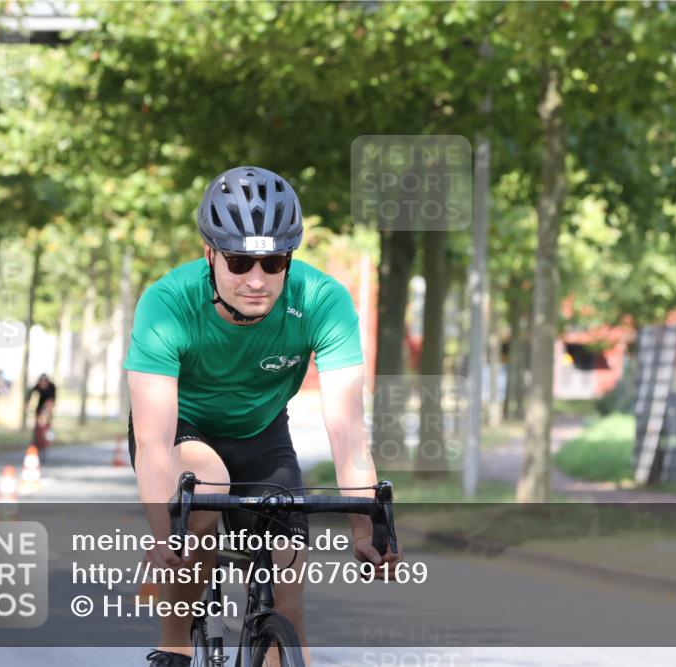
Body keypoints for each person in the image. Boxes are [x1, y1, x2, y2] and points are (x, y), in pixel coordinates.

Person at [124, 166, 403, 667]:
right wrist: (165, 535)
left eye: (274, 262)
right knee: (204, 487)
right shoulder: (167, 303)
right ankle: (175, 645)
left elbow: (347, 430)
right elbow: (151, 438)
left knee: (287, 594)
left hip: (262, 433)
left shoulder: (322, 301)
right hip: (183, 430)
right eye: (238, 261)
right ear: (210, 253)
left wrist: (365, 531)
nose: (256, 280)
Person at [25, 373, 56, 455]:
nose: (42, 384)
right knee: (37, 425)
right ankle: (36, 440)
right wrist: (27, 404)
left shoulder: (52, 387)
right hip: (39, 407)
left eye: (44, 382)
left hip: (48, 406)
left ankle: (47, 438)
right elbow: (31, 393)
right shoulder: (37, 386)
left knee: (47, 425)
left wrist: (47, 411)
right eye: (41, 382)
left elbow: (51, 400)